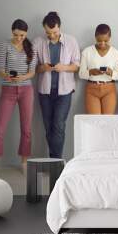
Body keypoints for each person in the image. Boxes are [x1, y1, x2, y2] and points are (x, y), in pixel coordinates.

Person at [0, 19, 37, 177]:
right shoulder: (4, 45)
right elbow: (0, 69)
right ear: (12, 32)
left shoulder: (31, 47)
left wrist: (22, 77)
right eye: (16, 35)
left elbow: (32, 72)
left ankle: (24, 163)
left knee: (26, 129)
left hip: (26, 90)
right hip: (8, 90)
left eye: (22, 35)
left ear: (26, 33)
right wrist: (7, 76)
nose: (19, 38)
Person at [33, 12, 80, 158]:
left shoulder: (72, 41)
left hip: (64, 92)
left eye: (54, 32)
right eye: (48, 32)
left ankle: (55, 161)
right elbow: (33, 69)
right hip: (45, 91)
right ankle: (54, 161)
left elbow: (76, 65)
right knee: (48, 127)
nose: (52, 35)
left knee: (59, 126)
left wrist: (64, 67)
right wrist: (44, 68)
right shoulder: (38, 42)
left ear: (60, 28)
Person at [79, 24, 118, 114]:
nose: (102, 43)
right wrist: (91, 72)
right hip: (92, 89)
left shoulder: (115, 53)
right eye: (99, 40)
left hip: (109, 89)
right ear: (95, 37)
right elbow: (81, 74)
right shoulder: (87, 51)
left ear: (110, 37)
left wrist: (110, 72)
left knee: (107, 121)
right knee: (94, 121)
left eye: (106, 41)